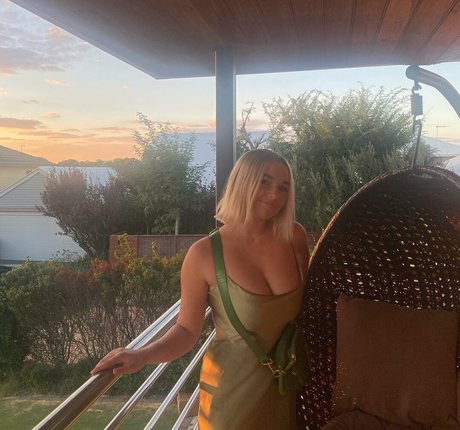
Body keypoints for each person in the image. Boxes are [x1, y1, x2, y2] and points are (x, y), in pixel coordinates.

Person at [91, 148, 310, 429]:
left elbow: (311, 305)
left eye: (283, 187)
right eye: (264, 182)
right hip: (231, 398)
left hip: (287, 386)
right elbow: (186, 330)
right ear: (242, 181)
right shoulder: (204, 254)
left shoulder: (293, 236)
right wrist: (142, 354)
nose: (274, 195)